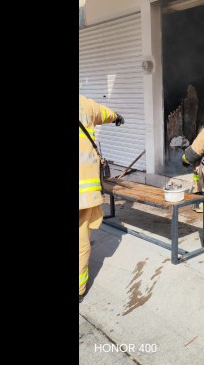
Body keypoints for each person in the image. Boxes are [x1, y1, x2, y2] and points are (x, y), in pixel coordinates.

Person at [79, 94, 124, 303]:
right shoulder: (84, 104)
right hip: (83, 193)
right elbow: (105, 113)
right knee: (80, 240)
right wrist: (117, 117)